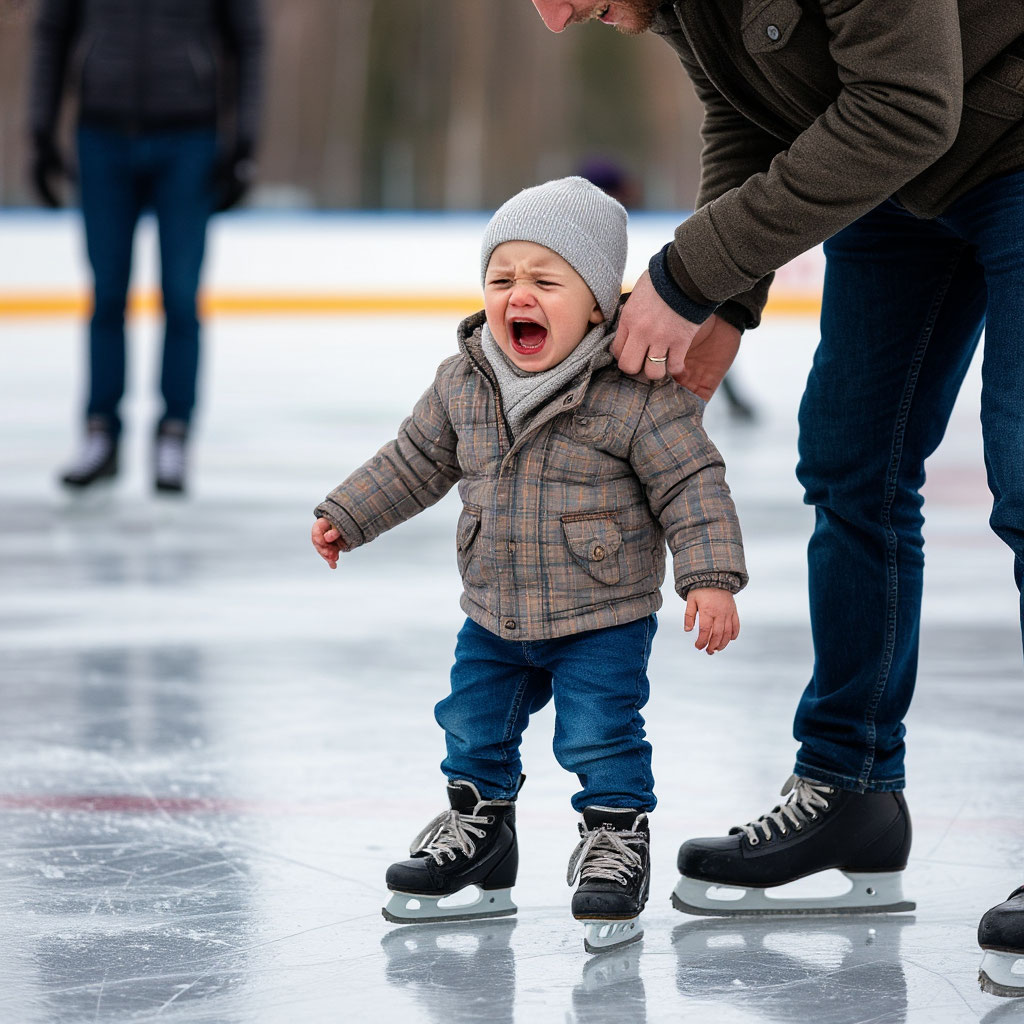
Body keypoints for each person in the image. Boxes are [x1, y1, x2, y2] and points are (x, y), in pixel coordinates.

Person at [528, 0, 1024, 994]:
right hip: (904, 184)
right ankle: (851, 789)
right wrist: (727, 297)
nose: (556, 18)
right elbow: (744, 112)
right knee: (851, 465)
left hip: (998, 136)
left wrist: (686, 273)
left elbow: (904, 103)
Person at [311, 177, 747, 953]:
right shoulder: (464, 380)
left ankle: (615, 843)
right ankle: (480, 832)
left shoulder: (639, 395)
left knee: (600, 735)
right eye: (502, 277)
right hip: (494, 609)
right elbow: (414, 461)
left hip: (602, 615)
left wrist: (709, 577)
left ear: (598, 305)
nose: (519, 294)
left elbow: (692, 482)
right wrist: (348, 512)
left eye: (546, 280)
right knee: (472, 727)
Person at [28, 0, 264, 493]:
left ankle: (173, 436)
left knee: (180, 296)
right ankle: (100, 434)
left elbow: (247, 37)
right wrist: (40, 131)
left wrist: (245, 138)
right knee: (107, 293)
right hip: (101, 135)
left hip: (190, 138)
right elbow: (52, 31)